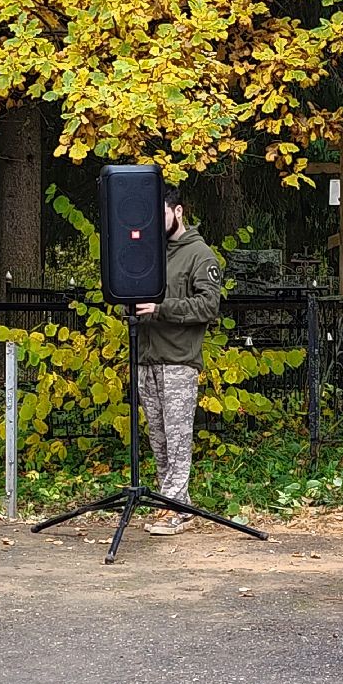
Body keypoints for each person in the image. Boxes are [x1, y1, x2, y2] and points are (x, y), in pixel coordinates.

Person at [134, 186, 222, 536]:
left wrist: (161, 308)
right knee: (158, 439)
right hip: (147, 357)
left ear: (179, 211)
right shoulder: (148, 253)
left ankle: (176, 508)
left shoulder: (200, 255)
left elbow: (208, 306)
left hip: (178, 361)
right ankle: (169, 505)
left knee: (178, 437)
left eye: (162, 214)